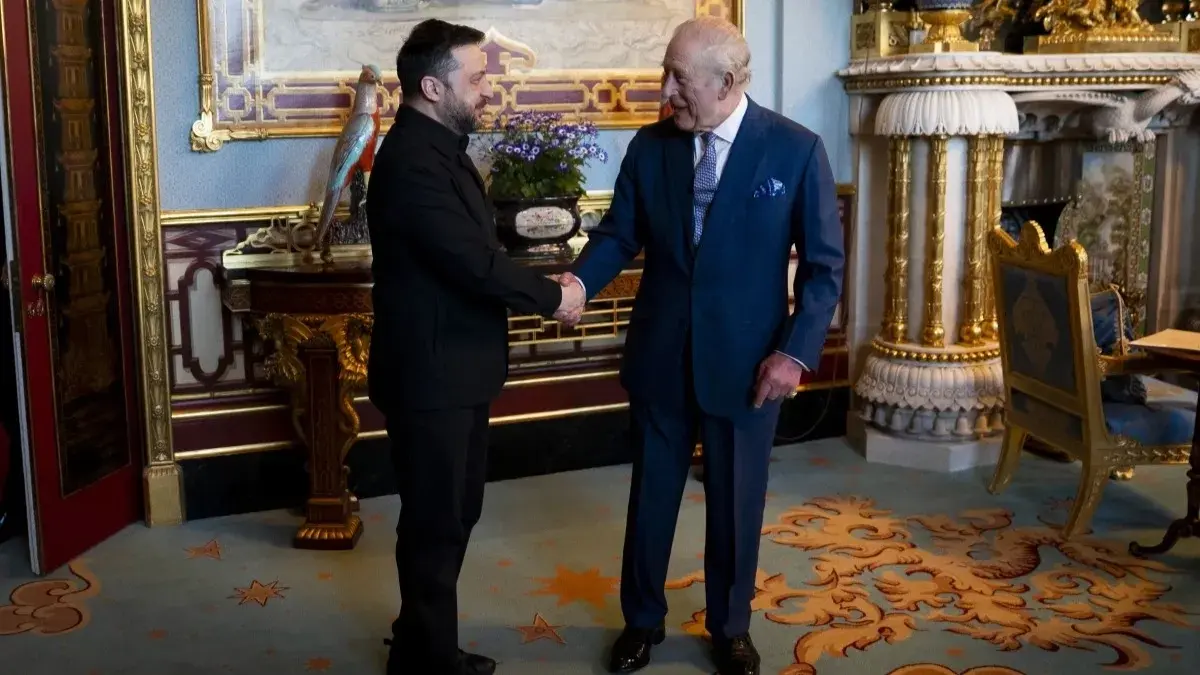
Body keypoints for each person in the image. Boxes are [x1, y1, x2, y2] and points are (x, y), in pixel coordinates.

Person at [556, 17, 844, 675]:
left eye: (678, 78)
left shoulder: (795, 149)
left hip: (750, 365)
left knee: (737, 503)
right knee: (651, 497)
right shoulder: (651, 145)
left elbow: (825, 267)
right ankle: (641, 621)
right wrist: (578, 283)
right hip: (661, 354)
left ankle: (731, 628)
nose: (665, 91)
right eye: (666, 73)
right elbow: (618, 234)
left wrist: (795, 353)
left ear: (727, 82)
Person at [365, 18, 585, 675]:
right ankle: (428, 661)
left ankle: (420, 640)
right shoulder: (411, 162)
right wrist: (552, 298)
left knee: (454, 511)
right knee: (437, 521)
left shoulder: (439, 147)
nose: (489, 88)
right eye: (478, 77)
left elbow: (475, 250)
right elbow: (471, 263)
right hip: (430, 375)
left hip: (453, 370)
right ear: (433, 87)